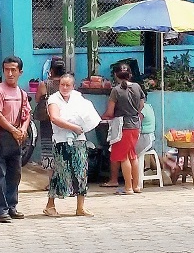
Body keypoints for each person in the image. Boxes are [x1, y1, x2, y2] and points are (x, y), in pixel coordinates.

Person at [44, 73, 98, 217]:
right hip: (61, 141)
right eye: (62, 84)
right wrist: (72, 127)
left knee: (82, 173)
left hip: (79, 140)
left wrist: (79, 127)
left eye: (68, 85)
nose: (65, 88)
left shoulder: (78, 97)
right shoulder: (53, 99)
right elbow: (55, 118)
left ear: (73, 86)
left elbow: (87, 114)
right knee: (61, 173)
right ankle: (50, 206)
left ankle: (80, 207)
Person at [0, 55, 30, 223]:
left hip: (15, 139)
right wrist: (13, 129)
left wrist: (23, 129)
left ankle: (12, 206)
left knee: (15, 174)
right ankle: (0, 210)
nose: (10, 73)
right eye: (7, 70)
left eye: (13, 70)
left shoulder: (22, 93)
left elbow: (27, 114)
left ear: (20, 72)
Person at [102, 63, 146, 195]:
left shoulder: (116, 90)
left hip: (123, 126)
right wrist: (134, 113)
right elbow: (142, 105)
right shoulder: (137, 87)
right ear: (130, 75)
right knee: (133, 155)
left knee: (124, 157)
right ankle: (136, 186)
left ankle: (128, 187)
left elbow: (110, 112)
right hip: (135, 125)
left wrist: (103, 116)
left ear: (115, 75)